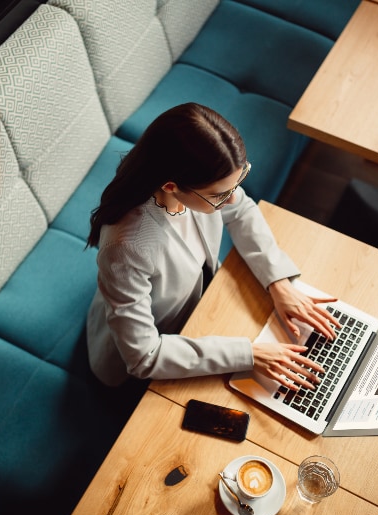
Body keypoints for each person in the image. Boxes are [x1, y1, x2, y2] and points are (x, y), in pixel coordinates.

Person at [85, 103, 341, 388]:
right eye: (219, 195)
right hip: (146, 358)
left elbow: (241, 210)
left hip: (201, 305)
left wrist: (278, 283)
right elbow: (145, 356)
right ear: (171, 186)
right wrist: (249, 354)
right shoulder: (128, 246)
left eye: (238, 181)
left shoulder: (199, 184)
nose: (232, 199)